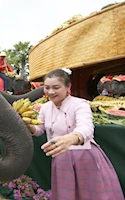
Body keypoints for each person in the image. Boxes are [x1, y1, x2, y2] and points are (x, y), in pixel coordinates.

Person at [28, 68, 124, 200]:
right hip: (61, 158)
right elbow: (39, 129)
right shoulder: (45, 108)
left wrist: (71, 139)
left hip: (84, 156)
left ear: (68, 86)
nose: (50, 92)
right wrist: (26, 125)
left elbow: (86, 127)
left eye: (56, 87)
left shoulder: (80, 104)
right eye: (47, 87)